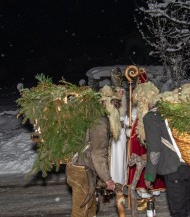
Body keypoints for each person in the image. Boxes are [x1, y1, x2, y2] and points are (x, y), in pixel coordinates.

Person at [66, 85, 122, 217]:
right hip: (82, 170)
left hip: (79, 167)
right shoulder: (100, 121)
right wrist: (107, 179)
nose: (117, 107)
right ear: (105, 103)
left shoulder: (91, 116)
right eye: (114, 103)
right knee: (81, 211)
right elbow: (97, 153)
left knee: (90, 209)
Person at [143, 104, 190, 217]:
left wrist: (149, 175)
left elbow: (154, 149)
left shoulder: (151, 117)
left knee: (178, 211)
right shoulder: (180, 110)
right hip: (189, 164)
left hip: (173, 167)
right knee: (186, 204)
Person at [126, 68, 166, 210]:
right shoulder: (139, 119)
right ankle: (142, 189)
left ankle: (150, 191)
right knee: (139, 157)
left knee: (152, 158)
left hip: (150, 134)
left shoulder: (153, 117)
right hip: (138, 131)